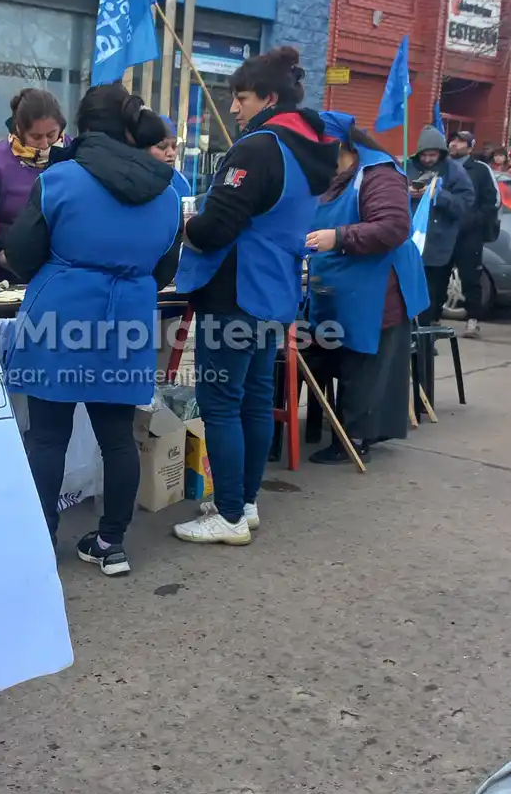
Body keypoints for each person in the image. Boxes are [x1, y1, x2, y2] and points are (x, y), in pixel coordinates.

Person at [4, 85, 183, 577]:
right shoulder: (168, 193)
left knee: (47, 438)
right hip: (128, 317)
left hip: (59, 313)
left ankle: (41, 540)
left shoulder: (60, 179)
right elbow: (165, 271)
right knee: (118, 437)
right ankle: (111, 542)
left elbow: (20, 255)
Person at [172, 47, 338, 546]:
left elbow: (218, 225)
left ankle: (227, 515)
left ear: (267, 97)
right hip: (276, 291)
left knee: (221, 403)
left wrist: (186, 227)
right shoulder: (308, 149)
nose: (234, 108)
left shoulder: (257, 147)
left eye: (240, 97)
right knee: (255, 401)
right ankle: (244, 502)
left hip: (235, 289)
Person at [305, 114, 427, 464]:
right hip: (340, 283)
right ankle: (346, 427)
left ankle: (355, 439)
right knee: (343, 358)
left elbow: (393, 227)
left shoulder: (378, 175)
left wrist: (339, 237)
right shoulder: (328, 178)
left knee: (364, 363)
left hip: (379, 287)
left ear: (336, 143)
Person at [0, 88, 65, 282]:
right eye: (36, 136)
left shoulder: (74, 155)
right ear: (18, 129)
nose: (44, 144)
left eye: (51, 135)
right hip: (7, 277)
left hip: (61, 274)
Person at [405, 125, 475, 326]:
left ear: (441, 153)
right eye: (424, 155)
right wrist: (407, 193)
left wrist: (439, 196)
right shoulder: (406, 167)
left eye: (432, 155)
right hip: (408, 240)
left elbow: (465, 203)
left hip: (437, 243)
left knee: (429, 293)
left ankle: (425, 336)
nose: (427, 159)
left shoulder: (455, 171)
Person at [449, 130, 498, 338]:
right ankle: (430, 319)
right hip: (444, 232)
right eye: (452, 140)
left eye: (460, 142)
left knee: (470, 278)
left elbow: (491, 203)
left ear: (469, 147)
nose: (454, 144)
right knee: (437, 277)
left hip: (469, 235)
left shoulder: (480, 170)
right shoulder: (443, 168)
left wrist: (472, 222)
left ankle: (472, 320)